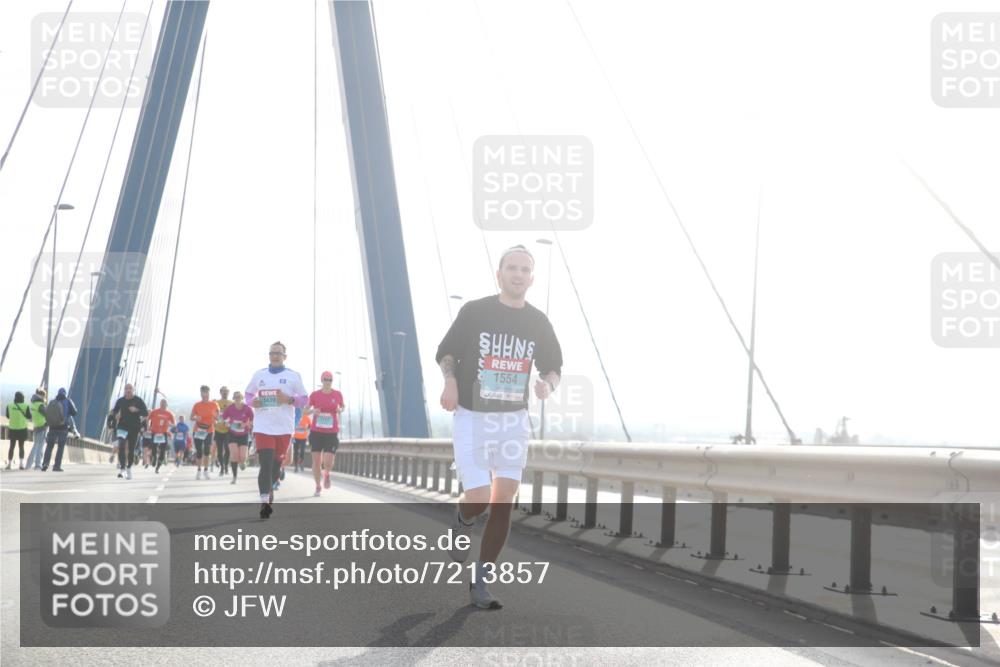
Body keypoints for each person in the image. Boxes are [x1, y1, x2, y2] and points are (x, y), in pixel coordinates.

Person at [435, 245, 562, 609]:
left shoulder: (538, 321)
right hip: (473, 417)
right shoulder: (475, 311)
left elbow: (553, 367)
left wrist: (547, 386)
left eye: (525, 269)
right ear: (499, 273)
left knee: (504, 501)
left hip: (513, 420)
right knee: (478, 498)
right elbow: (446, 352)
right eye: (512, 268)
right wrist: (450, 381)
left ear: (532, 278)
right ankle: (462, 519)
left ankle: (482, 582)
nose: (518, 274)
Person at [244, 341, 307, 518]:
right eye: (272, 353)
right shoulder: (259, 375)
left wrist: (289, 400)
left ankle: (269, 488)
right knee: (265, 464)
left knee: (276, 467)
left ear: (284, 356)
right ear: (269, 355)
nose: (275, 356)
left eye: (278, 353)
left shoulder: (293, 376)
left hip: (284, 428)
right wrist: (251, 402)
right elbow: (248, 395)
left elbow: (304, 400)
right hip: (263, 426)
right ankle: (264, 502)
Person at [305, 370, 345, 496]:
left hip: (331, 432)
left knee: (328, 462)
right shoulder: (314, 395)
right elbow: (305, 411)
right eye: (325, 379)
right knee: (317, 462)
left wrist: (340, 409)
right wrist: (313, 412)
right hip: (316, 432)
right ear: (321, 381)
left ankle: (326, 473)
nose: (327, 382)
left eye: (330, 380)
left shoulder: (337, 394)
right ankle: (317, 486)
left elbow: (343, 406)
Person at [110, 383, 148, 479]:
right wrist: (116, 415)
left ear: (133, 390)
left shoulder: (138, 400)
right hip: (122, 427)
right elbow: (114, 411)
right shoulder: (120, 401)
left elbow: (146, 412)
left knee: (131, 449)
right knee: (121, 445)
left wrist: (136, 410)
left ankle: (129, 468)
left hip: (134, 428)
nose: (128, 390)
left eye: (130, 389)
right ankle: (122, 469)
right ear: (124, 390)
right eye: (126, 389)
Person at [41, 388, 78, 472]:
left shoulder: (52, 402)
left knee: (49, 446)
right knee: (60, 447)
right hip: (63, 427)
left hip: (52, 427)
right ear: (65, 393)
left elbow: (47, 413)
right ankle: (56, 466)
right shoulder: (68, 401)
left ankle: (45, 464)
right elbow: (74, 412)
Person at [222, 391, 253, 484]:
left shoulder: (247, 409)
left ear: (242, 398)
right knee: (234, 455)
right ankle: (234, 477)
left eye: (239, 397)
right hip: (232, 434)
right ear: (234, 399)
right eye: (236, 397)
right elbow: (223, 418)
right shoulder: (230, 408)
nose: (238, 399)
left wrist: (245, 424)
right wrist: (226, 423)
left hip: (244, 434)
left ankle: (243, 462)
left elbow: (252, 421)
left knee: (243, 457)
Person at [190, 385, 219, 480]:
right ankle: (198, 470)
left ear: (209, 393)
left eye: (206, 392)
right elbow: (191, 417)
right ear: (201, 393)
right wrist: (196, 417)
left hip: (209, 430)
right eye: (203, 392)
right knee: (199, 451)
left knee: (207, 451)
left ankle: (206, 470)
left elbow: (218, 417)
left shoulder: (214, 405)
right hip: (198, 430)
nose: (205, 394)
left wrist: (217, 420)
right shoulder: (197, 405)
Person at [5, 391, 31, 470]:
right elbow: (29, 416)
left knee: (11, 446)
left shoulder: (9, 405)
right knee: (21, 447)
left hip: (12, 428)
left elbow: (7, 416)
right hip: (22, 429)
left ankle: (9, 464)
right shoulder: (26, 406)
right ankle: (21, 464)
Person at [148, 399, 175, 473]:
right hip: (155, 432)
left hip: (163, 433)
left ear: (167, 405)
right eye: (161, 403)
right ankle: (154, 458)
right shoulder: (155, 411)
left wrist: (169, 424)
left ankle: (158, 467)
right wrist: (148, 426)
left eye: (164, 403)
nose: (163, 404)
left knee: (163, 451)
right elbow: (148, 418)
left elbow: (173, 424)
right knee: (153, 447)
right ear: (160, 404)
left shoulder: (169, 413)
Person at [24, 388, 47, 470]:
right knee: (39, 447)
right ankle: (37, 465)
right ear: (41, 395)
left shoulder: (34, 404)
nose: (45, 398)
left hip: (36, 426)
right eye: (44, 396)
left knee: (36, 446)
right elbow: (47, 415)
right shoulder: (41, 405)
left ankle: (28, 465)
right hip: (42, 426)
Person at [214, 386, 233, 477]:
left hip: (228, 430)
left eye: (226, 391)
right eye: (223, 391)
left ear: (228, 393)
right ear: (220, 392)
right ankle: (222, 467)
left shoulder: (232, 403)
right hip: (218, 429)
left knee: (228, 449)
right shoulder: (216, 403)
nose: (225, 393)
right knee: (220, 450)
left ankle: (226, 466)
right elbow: (213, 415)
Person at [292, 411, 309, 476]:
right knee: (295, 452)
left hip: (303, 438)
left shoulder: (306, 417)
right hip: (295, 437)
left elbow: (310, 426)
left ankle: (301, 462)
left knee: (302, 451)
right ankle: (296, 466)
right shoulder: (295, 417)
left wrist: (306, 427)